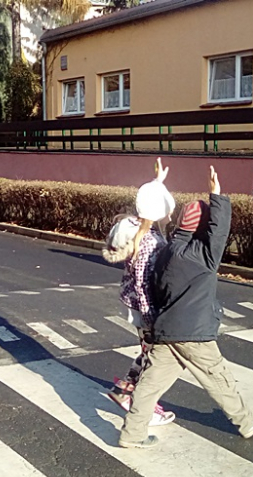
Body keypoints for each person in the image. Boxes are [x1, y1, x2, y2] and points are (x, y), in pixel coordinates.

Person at [118, 166, 253, 449]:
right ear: (202, 228)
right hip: (193, 333)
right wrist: (217, 196)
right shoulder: (203, 255)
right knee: (219, 378)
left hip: (167, 330)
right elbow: (220, 230)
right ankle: (247, 421)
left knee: (150, 384)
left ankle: (132, 433)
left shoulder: (165, 250)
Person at [103, 158, 176, 426]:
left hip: (135, 305)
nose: (171, 216)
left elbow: (147, 202)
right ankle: (143, 408)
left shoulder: (135, 227)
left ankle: (124, 390)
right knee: (154, 358)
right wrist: (151, 318)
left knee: (149, 353)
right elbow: (144, 284)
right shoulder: (150, 241)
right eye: (168, 211)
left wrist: (157, 182)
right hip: (145, 308)